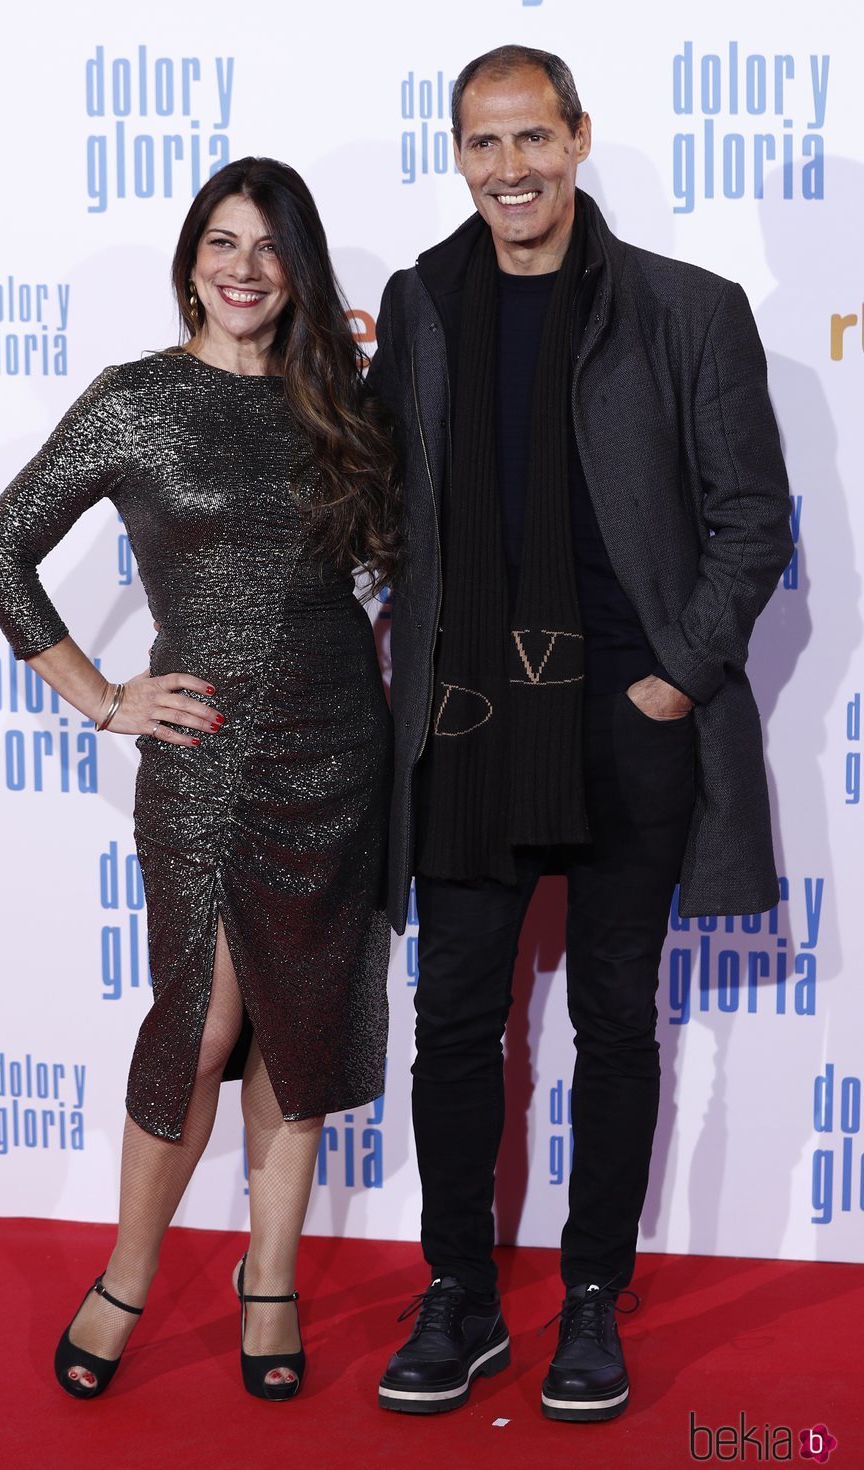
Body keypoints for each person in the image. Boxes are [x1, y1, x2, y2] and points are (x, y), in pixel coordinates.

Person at [368, 46, 793, 1421]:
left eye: (533, 138)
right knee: (454, 1026)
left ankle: (593, 1296)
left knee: (616, 1019)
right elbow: (382, 503)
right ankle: (461, 1293)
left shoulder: (688, 309)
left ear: (579, 137)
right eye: (484, 144)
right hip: (469, 723)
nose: (512, 169)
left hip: (626, 723)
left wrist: (669, 679)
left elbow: (750, 521)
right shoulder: (421, 303)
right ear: (458, 156)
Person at [0, 156, 399, 1404]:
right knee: (200, 1027)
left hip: (335, 754)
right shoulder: (136, 398)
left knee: (303, 1029)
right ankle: (126, 1276)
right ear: (189, 258)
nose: (244, 267)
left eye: (269, 247)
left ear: (299, 267)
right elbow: (0, 552)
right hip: (203, 761)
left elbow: (402, 565)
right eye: (222, 240)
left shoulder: (346, 405)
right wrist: (104, 698)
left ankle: (270, 1281)